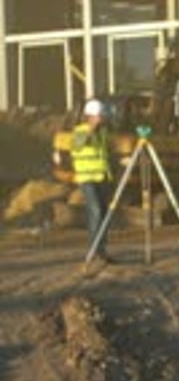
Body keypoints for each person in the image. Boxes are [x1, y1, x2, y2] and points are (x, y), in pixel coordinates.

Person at [71, 98, 114, 262]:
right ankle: (94, 248)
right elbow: (77, 145)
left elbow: (105, 154)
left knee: (103, 212)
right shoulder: (80, 131)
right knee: (95, 209)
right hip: (86, 178)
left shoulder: (103, 132)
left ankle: (101, 248)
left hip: (102, 177)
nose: (103, 118)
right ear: (92, 116)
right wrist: (91, 128)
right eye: (100, 116)